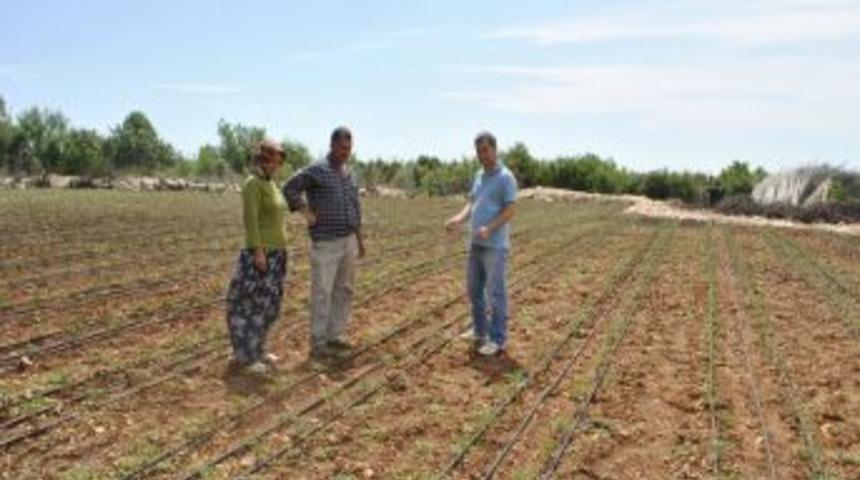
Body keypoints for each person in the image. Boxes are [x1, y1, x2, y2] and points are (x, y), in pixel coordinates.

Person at [283, 126, 365, 359]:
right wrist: (305, 211)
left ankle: (335, 336)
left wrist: (359, 239)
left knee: (344, 290)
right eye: (342, 148)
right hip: (326, 243)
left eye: (349, 148)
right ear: (331, 146)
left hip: (348, 241)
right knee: (322, 292)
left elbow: (355, 208)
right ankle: (318, 342)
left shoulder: (349, 174)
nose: (345, 152)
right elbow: (289, 188)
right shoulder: (317, 170)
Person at [445, 131, 518, 356]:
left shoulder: (506, 177)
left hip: (495, 245)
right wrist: (459, 217)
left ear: (495, 149)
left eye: (486, 150)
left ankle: (497, 339)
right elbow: (472, 203)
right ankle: (479, 330)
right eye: (478, 151)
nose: (482, 155)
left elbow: (510, 210)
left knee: (496, 292)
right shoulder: (479, 175)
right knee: (474, 289)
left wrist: (490, 227)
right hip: (475, 242)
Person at [225, 139, 289, 374]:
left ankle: (258, 349)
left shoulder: (271, 184)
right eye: (272, 159)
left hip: (278, 255)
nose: (276, 164)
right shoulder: (253, 184)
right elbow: (250, 220)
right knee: (250, 305)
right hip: (261, 255)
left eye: (279, 160)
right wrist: (258, 251)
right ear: (262, 159)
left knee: (269, 306)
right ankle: (247, 358)